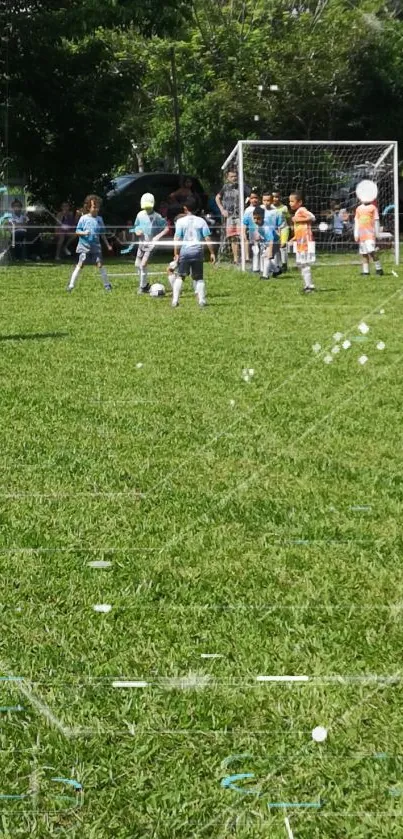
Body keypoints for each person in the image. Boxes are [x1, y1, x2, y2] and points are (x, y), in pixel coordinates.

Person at [173, 196, 215, 308]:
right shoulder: (201, 221)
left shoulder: (180, 221)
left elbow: (177, 238)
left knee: (180, 276)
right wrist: (212, 252)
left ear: (185, 208)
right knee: (199, 277)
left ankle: (175, 300)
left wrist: (176, 253)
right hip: (197, 251)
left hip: (185, 252)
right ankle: (201, 300)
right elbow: (207, 238)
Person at [67, 194, 113, 292]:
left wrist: (107, 244)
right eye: (94, 207)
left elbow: (102, 234)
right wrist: (84, 233)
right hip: (84, 247)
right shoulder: (83, 219)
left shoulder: (100, 219)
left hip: (96, 247)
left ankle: (107, 285)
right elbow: (77, 231)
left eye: (97, 207)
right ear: (88, 207)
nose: (96, 209)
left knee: (100, 264)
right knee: (80, 264)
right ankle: (71, 285)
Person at [130, 193, 169, 294]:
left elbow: (166, 228)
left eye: (149, 207)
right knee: (137, 264)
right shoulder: (140, 214)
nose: (147, 209)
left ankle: (142, 287)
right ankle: (145, 284)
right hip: (141, 244)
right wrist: (137, 231)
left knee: (143, 264)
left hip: (151, 245)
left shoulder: (157, 217)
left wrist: (157, 237)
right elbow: (136, 226)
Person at [215, 169, 249, 265]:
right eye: (231, 176)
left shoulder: (242, 186)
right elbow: (217, 198)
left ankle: (246, 258)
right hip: (230, 216)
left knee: (243, 236)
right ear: (227, 177)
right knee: (233, 237)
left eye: (235, 176)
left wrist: (246, 207)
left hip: (240, 215)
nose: (234, 178)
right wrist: (222, 209)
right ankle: (235, 259)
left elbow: (250, 196)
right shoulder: (225, 187)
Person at [289, 192, 316, 293]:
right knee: (301, 264)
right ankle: (306, 285)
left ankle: (310, 286)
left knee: (305, 264)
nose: (290, 203)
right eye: (289, 201)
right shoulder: (296, 213)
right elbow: (299, 230)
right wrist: (294, 238)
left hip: (306, 242)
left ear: (299, 202)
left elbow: (312, 217)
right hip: (299, 243)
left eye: (292, 201)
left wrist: (298, 219)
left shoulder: (301, 210)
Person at [354, 198, 383, 276]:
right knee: (364, 253)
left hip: (370, 234)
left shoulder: (373, 208)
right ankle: (366, 271)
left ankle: (379, 269)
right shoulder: (358, 208)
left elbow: (376, 220)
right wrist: (356, 234)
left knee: (372, 252)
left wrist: (377, 233)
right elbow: (356, 221)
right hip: (362, 236)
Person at [251, 207, 276, 279]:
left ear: (263, 217)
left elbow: (271, 239)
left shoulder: (266, 227)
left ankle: (265, 276)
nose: (256, 220)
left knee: (267, 257)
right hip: (266, 243)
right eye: (254, 218)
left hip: (274, 242)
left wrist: (270, 251)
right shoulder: (258, 225)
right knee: (266, 257)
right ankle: (277, 270)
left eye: (258, 218)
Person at [271, 191, 291, 271]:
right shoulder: (270, 207)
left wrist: (291, 227)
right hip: (274, 230)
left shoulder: (284, 207)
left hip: (284, 228)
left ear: (280, 198)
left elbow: (288, 218)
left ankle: (284, 264)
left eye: (277, 197)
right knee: (275, 247)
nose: (275, 199)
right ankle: (276, 264)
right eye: (273, 197)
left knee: (283, 246)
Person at [242, 190, 262, 263]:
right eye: (252, 198)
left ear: (259, 199)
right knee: (254, 248)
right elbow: (244, 222)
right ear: (249, 199)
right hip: (252, 232)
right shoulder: (247, 210)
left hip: (261, 232)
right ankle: (251, 261)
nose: (254, 200)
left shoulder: (262, 208)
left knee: (261, 248)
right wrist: (243, 233)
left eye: (256, 198)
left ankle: (260, 263)